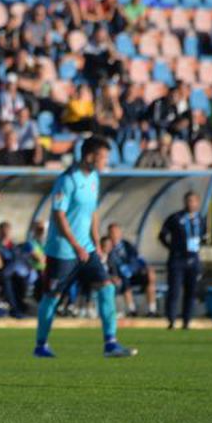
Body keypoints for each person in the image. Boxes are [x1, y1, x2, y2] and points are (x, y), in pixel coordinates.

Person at [34, 136, 137, 358]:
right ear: (89, 156)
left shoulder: (94, 179)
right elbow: (59, 216)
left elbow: (93, 212)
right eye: (103, 157)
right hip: (62, 250)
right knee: (52, 297)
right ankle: (40, 345)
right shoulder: (68, 180)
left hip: (87, 249)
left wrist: (96, 243)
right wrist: (75, 245)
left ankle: (110, 343)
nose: (105, 162)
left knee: (107, 287)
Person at [158, 192, 205, 330]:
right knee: (174, 290)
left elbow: (203, 236)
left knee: (191, 291)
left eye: (193, 201)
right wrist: (172, 248)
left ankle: (187, 320)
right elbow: (162, 235)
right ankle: (171, 320)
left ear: (198, 203)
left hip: (194, 259)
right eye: (188, 201)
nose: (191, 204)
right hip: (177, 259)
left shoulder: (200, 219)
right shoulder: (175, 217)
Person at [105, 223, 158, 317]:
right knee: (125, 282)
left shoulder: (127, 245)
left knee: (149, 279)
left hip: (134, 273)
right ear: (109, 234)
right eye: (112, 233)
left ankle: (152, 310)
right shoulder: (107, 247)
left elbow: (139, 258)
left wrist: (147, 268)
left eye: (117, 232)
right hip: (120, 276)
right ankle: (132, 310)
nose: (115, 235)